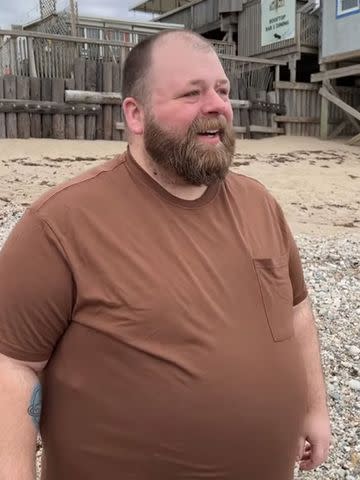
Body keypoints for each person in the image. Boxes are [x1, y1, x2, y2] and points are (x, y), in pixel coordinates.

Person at [0, 30, 331, 480]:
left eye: (222, 91)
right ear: (136, 115)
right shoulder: (61, 224)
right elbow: (13, 366)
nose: (216, 105)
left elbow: (295, 311)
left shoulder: (260, 205)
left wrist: (315, 407)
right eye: (192, 93)